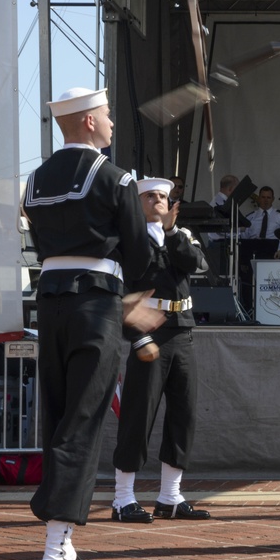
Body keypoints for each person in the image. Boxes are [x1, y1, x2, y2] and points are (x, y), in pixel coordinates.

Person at [22, 86, 162, 560]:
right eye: (105, 116)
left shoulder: (35, 180)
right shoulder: (115, 176)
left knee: (60, 419)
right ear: (85, 121)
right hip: (96, 305)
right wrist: (138, 298)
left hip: (52, 301)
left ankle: (67, 552)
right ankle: (55, 555)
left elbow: (41, 243)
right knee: (81, 427)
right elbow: (140, 254)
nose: (110, 124)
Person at [111, 177, 211, 524]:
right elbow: (119, 293)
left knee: (183, 414)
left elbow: (197, 264)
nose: (157, 201)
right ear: (138, 203)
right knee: (139, 414)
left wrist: (170, 234)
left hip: (182, 330)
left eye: (163, 197)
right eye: (150, 196)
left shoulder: (180, 235)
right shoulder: (127, 239)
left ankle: (170, 496)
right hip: (149, 334)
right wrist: (135, 337)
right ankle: (123, 497)